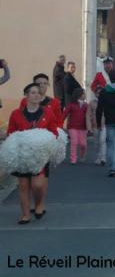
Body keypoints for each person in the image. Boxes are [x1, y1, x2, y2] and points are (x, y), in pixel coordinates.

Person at [8, 83, 58, 224]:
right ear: (26, 95)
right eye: (33, 92)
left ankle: (39, 204)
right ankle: (25, 214)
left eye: (38, 93)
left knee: (37, 185)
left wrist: (43, 140)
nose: (37, 95)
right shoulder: (16, 114)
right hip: (22, 154)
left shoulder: (47, 113)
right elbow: (11, 132)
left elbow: (54, 132)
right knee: (23, 185)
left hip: (40, 155)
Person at [63, 88, 89, 164]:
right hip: (72, 126)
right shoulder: (71, 105)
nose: (85, 95)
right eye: (83, 93)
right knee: (74, 142)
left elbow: (90, 116)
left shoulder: (86, 105)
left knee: (83, 144)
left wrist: (91, 125)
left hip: (83, 127)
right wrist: (59, 122)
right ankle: (73, 158)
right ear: (78, 95)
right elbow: (64, 114)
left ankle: (82, 154)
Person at [87, 88, 106, 166]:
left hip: (105, 125)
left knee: (102, 140)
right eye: (98, 93)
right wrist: (89, 127)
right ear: (95, 94)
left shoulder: (107, 102)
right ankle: (98, 157)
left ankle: (103, 158)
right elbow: (88, 115)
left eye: (101, 93)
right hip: (95, 125)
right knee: (96, 143)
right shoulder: (92, 103)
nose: (99, 94)